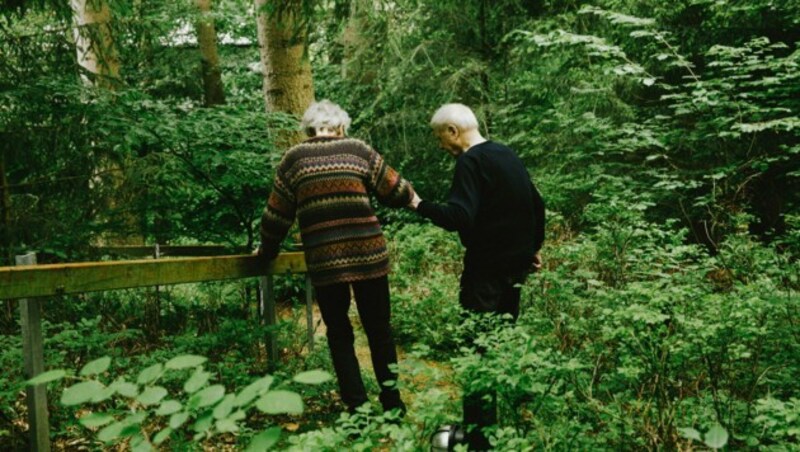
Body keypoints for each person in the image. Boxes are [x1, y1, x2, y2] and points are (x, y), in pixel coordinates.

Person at [258, 99, 414, 415]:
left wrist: (267, 251)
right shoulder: (358, 150)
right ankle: (392, 405)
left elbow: (277, 215)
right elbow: (397, 191)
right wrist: (411, 196)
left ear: (309, 129)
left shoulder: (294, 158)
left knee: (339, 332)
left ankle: (356, 408)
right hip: (369, 255)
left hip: (325, 260)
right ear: (340, 126)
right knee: (379, 329)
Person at [410, 103, 545, 450]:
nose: (442, 146)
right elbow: (536, 203)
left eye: (441, 138)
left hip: (484, 273)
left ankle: (478, 440)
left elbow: (460, 217)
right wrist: (532, 248)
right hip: (514, 273)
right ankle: (497, 431)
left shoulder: (470, 161)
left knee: (476, 352)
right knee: (498, 348)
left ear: (453, 131)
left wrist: (417, 204)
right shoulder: (506, 154)